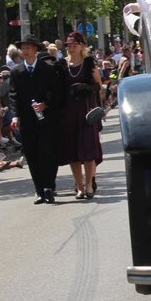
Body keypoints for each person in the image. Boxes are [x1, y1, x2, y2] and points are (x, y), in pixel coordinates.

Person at [8, 34, 65, 204]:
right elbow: (13, 96)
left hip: (46, 119)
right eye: (22, 48)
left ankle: (49, 187)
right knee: (32, 154)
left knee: (47, 152)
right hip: (27, 119)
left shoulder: (47, 69)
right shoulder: (16, 72)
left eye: (28, 48)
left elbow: (57, 92)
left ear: (35, 50)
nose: (24, 51)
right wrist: (16, 116)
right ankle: (39, 189)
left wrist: (45, 104)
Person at [56, 32, 104, 200]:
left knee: (88, 149)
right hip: (69, 112)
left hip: (86, 110)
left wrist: (87, 88)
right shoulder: (62, 65)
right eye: (69, 45)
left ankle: (90, 184)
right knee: (73, 151)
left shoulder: (89, 63)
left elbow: (98, 86)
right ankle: (79, 186)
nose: (71, 48)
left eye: (74, 45)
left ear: (82, 46)